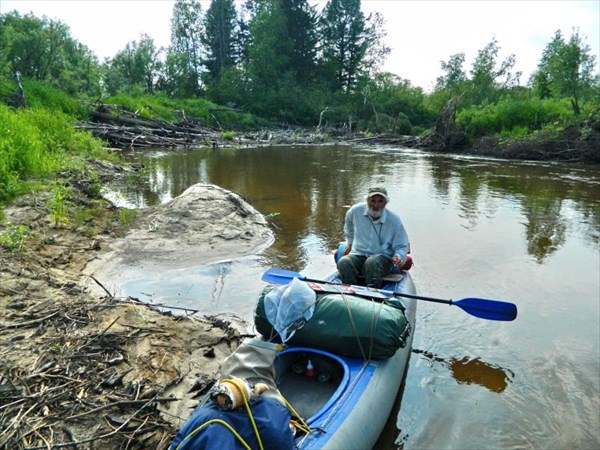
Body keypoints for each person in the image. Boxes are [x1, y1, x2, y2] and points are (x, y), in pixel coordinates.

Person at [337, 187, 409, 288]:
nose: (376, 205)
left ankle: (372, 293)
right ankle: (351, 291)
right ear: (367, 201)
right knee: (344, 262)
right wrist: (350, 242)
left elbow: (402, 245)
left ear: (385, 203)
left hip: (383, 258)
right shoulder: (355, 211)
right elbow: (348, 225)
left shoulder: (394, 221)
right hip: (359, 254)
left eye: (380, 201)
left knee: (372, 263)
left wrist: (398, 256)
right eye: (373, 200)